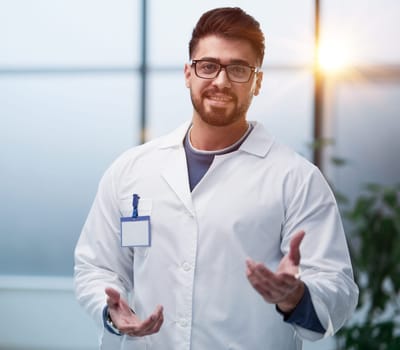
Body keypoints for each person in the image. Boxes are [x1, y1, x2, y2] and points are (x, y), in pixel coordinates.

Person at [74, 7, 358, 350]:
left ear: (258, 82)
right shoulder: (131, 169)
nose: (220, 81)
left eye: (238, 69)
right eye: (208, 66)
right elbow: (95, 265)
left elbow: (337, 287)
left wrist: (295, 296)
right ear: (188, 73)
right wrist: (111, 311)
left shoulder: (296, 178)